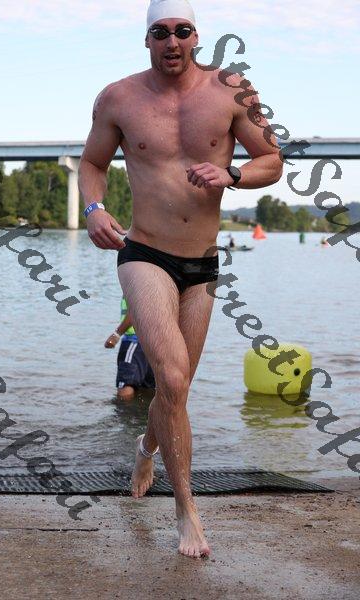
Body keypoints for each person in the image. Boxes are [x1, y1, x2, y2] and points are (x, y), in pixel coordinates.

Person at [79, 0, 282, 558]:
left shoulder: (232, 90)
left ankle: (145, 449)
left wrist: (232, 173)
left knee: (177, 388)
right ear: (147, 40)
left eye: (182, 31)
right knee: (169, 375)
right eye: (160, 32)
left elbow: (272, 160)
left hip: (203, 264)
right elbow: (92, 163)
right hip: (143, 252)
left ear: (196, 37)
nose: (171, 40)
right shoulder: (117, 97)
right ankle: (186, 510)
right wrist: (94, 209)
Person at [105, 297, 155, 399]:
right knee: (147, 389)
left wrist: (116, 334)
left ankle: (124, 409)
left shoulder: (134, 287)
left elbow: (136, 310)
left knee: (125, 385)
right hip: (152, 342)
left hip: (134, 341)